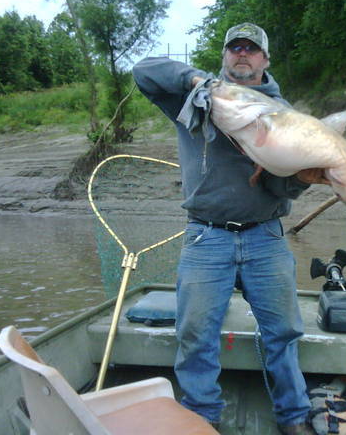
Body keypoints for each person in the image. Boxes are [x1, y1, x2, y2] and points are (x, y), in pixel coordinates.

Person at [133, 23, 318, 435]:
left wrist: (302, 178)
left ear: (265, 59)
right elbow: (144, 71)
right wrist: (196, 81)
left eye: (251, 49)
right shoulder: (195, 97)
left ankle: (293, 415)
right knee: (195, 332)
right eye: (235, 47)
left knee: (283, 332)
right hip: (206, 235)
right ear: (224, 55)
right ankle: (202, 415)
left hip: (265, 235)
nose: (243, 54)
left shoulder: (283, 113)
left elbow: (280, 187)